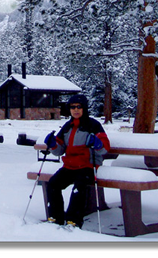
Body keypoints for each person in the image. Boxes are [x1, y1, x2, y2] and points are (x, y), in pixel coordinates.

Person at [43, 94, 111, 228]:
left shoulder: (93, 125)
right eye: (72, 107)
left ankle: (73, 220)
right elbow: (59, 150)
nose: (76, 110)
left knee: (79, 187)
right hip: (70, 165)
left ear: (84, 108)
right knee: (53, 184)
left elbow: (105, 148)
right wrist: (52, 144)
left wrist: (97, 144)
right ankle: (56, 217)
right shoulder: (67, 127)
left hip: (87, 165)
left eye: (79, 107)